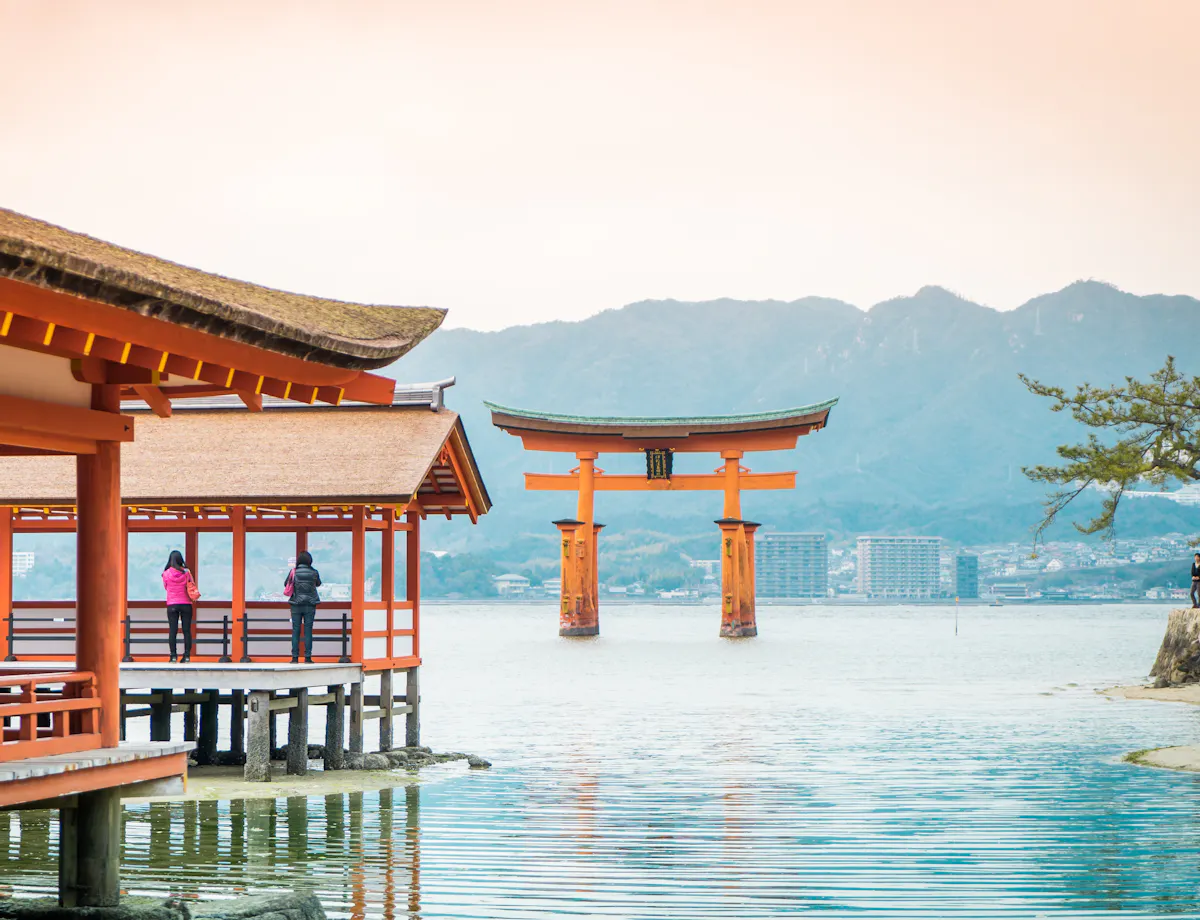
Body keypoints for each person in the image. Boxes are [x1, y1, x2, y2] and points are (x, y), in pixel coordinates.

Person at [286, 551, 322, 663]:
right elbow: (318, 584)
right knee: (308, 631)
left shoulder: (294, 572)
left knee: (295, 630)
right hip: (310, 604)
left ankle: (294, 657)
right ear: (310, 561)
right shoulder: (314, 572)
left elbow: (286, 584)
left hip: (296, 604)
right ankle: (308, 657)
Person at [161, 550, 195, 663]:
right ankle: (186, 656)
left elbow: (166, 587)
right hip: (186, 604)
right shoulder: (186, 573)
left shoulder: (165, 573)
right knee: (186, 630)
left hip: (172, 604)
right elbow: (192, 585)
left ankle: (173, 656)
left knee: (172, 630)